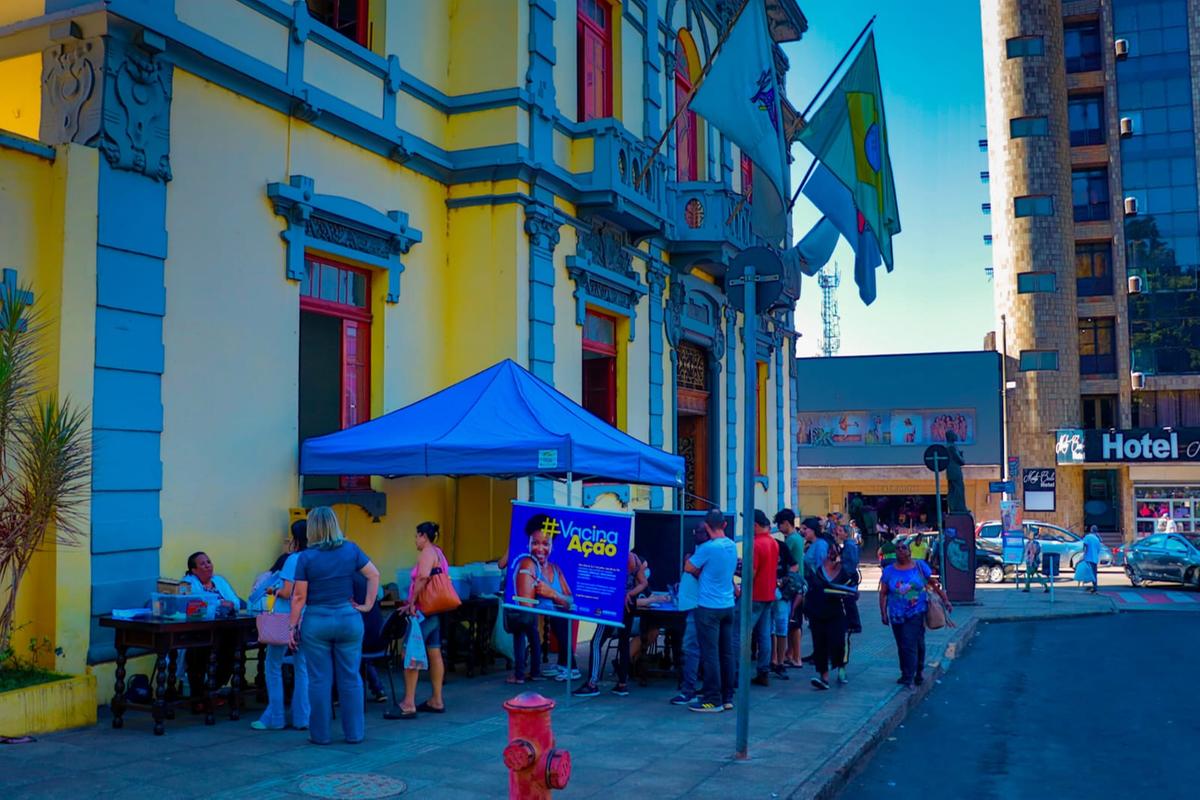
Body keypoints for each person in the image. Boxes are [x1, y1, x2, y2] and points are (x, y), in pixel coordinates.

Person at [287, 507, 380, 744]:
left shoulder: (306, 557)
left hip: (317, 621)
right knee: (351, 677)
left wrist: (291, 627)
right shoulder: (351, 549)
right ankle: (355, 734)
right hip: (348, 618)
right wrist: (367, 605)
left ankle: (320, 735)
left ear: (312, 529)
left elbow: (299, 597)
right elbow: (373, 575)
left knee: (319, 679)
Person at [252, 521, 310, 731]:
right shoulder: (315, 557)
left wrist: (273, 591)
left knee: (273, 665)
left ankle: (275, 716)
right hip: (308, 616)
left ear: (296, 538)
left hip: (285, 617)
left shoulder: (293, 559)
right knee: (302, 667)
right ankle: (302, 717)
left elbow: (288, 592)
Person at [512, 513, 578, 681]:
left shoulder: (556, 569)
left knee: (561, 621)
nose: (540, 549)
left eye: (545, 543)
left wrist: (552, 593)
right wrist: (560, 599)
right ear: (528, 543)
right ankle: (557, 666)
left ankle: (568, 665)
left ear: (552, 546)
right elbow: (526, 605)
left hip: (557, 614)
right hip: (540, 615)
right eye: (535, 543)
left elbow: (571, 602)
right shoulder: (528, 564)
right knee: (531, 629)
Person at [878, 540, 951, 688]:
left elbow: (932, 584)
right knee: (905, 644)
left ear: (909, 551)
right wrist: (883, 613)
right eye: (897, 548)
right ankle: (909, 672)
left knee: (908, 643)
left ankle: (910, 676)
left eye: (903, 548)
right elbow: (883, 593)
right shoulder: (889, 571)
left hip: (916, 612)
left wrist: (945, 600)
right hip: (896, 614)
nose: (900, 550)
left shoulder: (919, 566)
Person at [685, 509, 737, 713]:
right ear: (724, 525)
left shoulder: (707, 548)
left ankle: (712, 699)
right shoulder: (732, 545)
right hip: (727, 604)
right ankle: (727, 696)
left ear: (706, 526)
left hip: (708, 607)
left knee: (710, 654)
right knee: (727, 652)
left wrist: (699, 570)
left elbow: (689, 567)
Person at [575, 550, 647, 697]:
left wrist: (622, 595)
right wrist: (630, 594)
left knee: (596, 642)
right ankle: (622, 684)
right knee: (624, 643)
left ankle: (592, 683)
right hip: (628, 605)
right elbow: (644, 582)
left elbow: (608, 580)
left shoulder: (614, 555)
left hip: (612, 605)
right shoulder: (634, 558)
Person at [182, 552, 244, 712]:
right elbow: (197, 603)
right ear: (194, 570)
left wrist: (224, 604)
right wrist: (220, 603)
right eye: (202, 564)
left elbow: (235, 602)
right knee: (198, 655)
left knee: (234, 650)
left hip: (225, 629)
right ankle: (198, 696)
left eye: (209, 562)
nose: (208, 565)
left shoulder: (219, 581)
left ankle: (211, 690)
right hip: (199, 631)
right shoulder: (188, 583)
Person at [398, 521, 449, 717]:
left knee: (410, 652)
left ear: (423, 536)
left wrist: (412, 602)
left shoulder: (427, 553)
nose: (415, 540)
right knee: (434, 652)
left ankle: (409, 702)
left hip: (423, 610)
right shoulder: (439, 553)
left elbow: (422, 578)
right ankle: (437, 699)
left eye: (416, 536)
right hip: (435, 609)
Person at [669, 524, 708, 706]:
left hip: (698, 606)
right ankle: (695, 687)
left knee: (692, 648)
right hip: (690, 605)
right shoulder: (697, 552)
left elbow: (706, 577)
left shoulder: (706, 552)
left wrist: (690, 567)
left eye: (698, 532)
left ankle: (689, 690)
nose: (694, 534)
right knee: (694, 648)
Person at [805, 545, 850, 690]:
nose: (831, 554)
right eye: (829, 551)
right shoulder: (816, 570)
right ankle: (823, 677)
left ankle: (840, 667)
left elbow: (851, 592)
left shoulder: (844, 570)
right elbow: (810, 590)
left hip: (835, 612)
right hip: (817, 611)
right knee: (819, 644)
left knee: (838, 643)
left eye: (834, 551)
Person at [748, 511, 780, 687]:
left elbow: (752, 572)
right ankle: (763, 671)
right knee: (764, 635)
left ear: (755, 525)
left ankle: (738, 670)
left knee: (743, 633)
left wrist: (742, 587)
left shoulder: (755, 544)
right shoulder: (773, 542)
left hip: (755, 595)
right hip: (769, 593)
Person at [777, 510, 806, 668]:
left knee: (794, 623)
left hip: (793, 586)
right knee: (794, 622)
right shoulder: (798, 538)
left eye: (779, 524)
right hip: (798, 584)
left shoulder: (791, 540)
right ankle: (791, 654)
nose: (778, 527)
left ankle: (796, 657)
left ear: (786, 523)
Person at [835, 524, 862, 684]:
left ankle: (854, 623)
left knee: (849, 602)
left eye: (839, 531)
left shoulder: (850, 546)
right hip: (848, 579)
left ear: (846, 533)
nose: (837, 533)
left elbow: (850, 565)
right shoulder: (848, 545)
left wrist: (841, 570)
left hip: (848, 580)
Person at [1082, 525, 1103, 594]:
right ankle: (1094, 586)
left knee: (1087, 572)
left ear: (1091, 530)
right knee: (1094, 573)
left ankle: (1087, 585)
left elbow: (1085, 546)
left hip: (1088, 557)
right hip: (1094, 558)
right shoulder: (1097, 539)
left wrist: (1083, 555)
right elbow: (1098, 549)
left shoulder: (1087, 537)